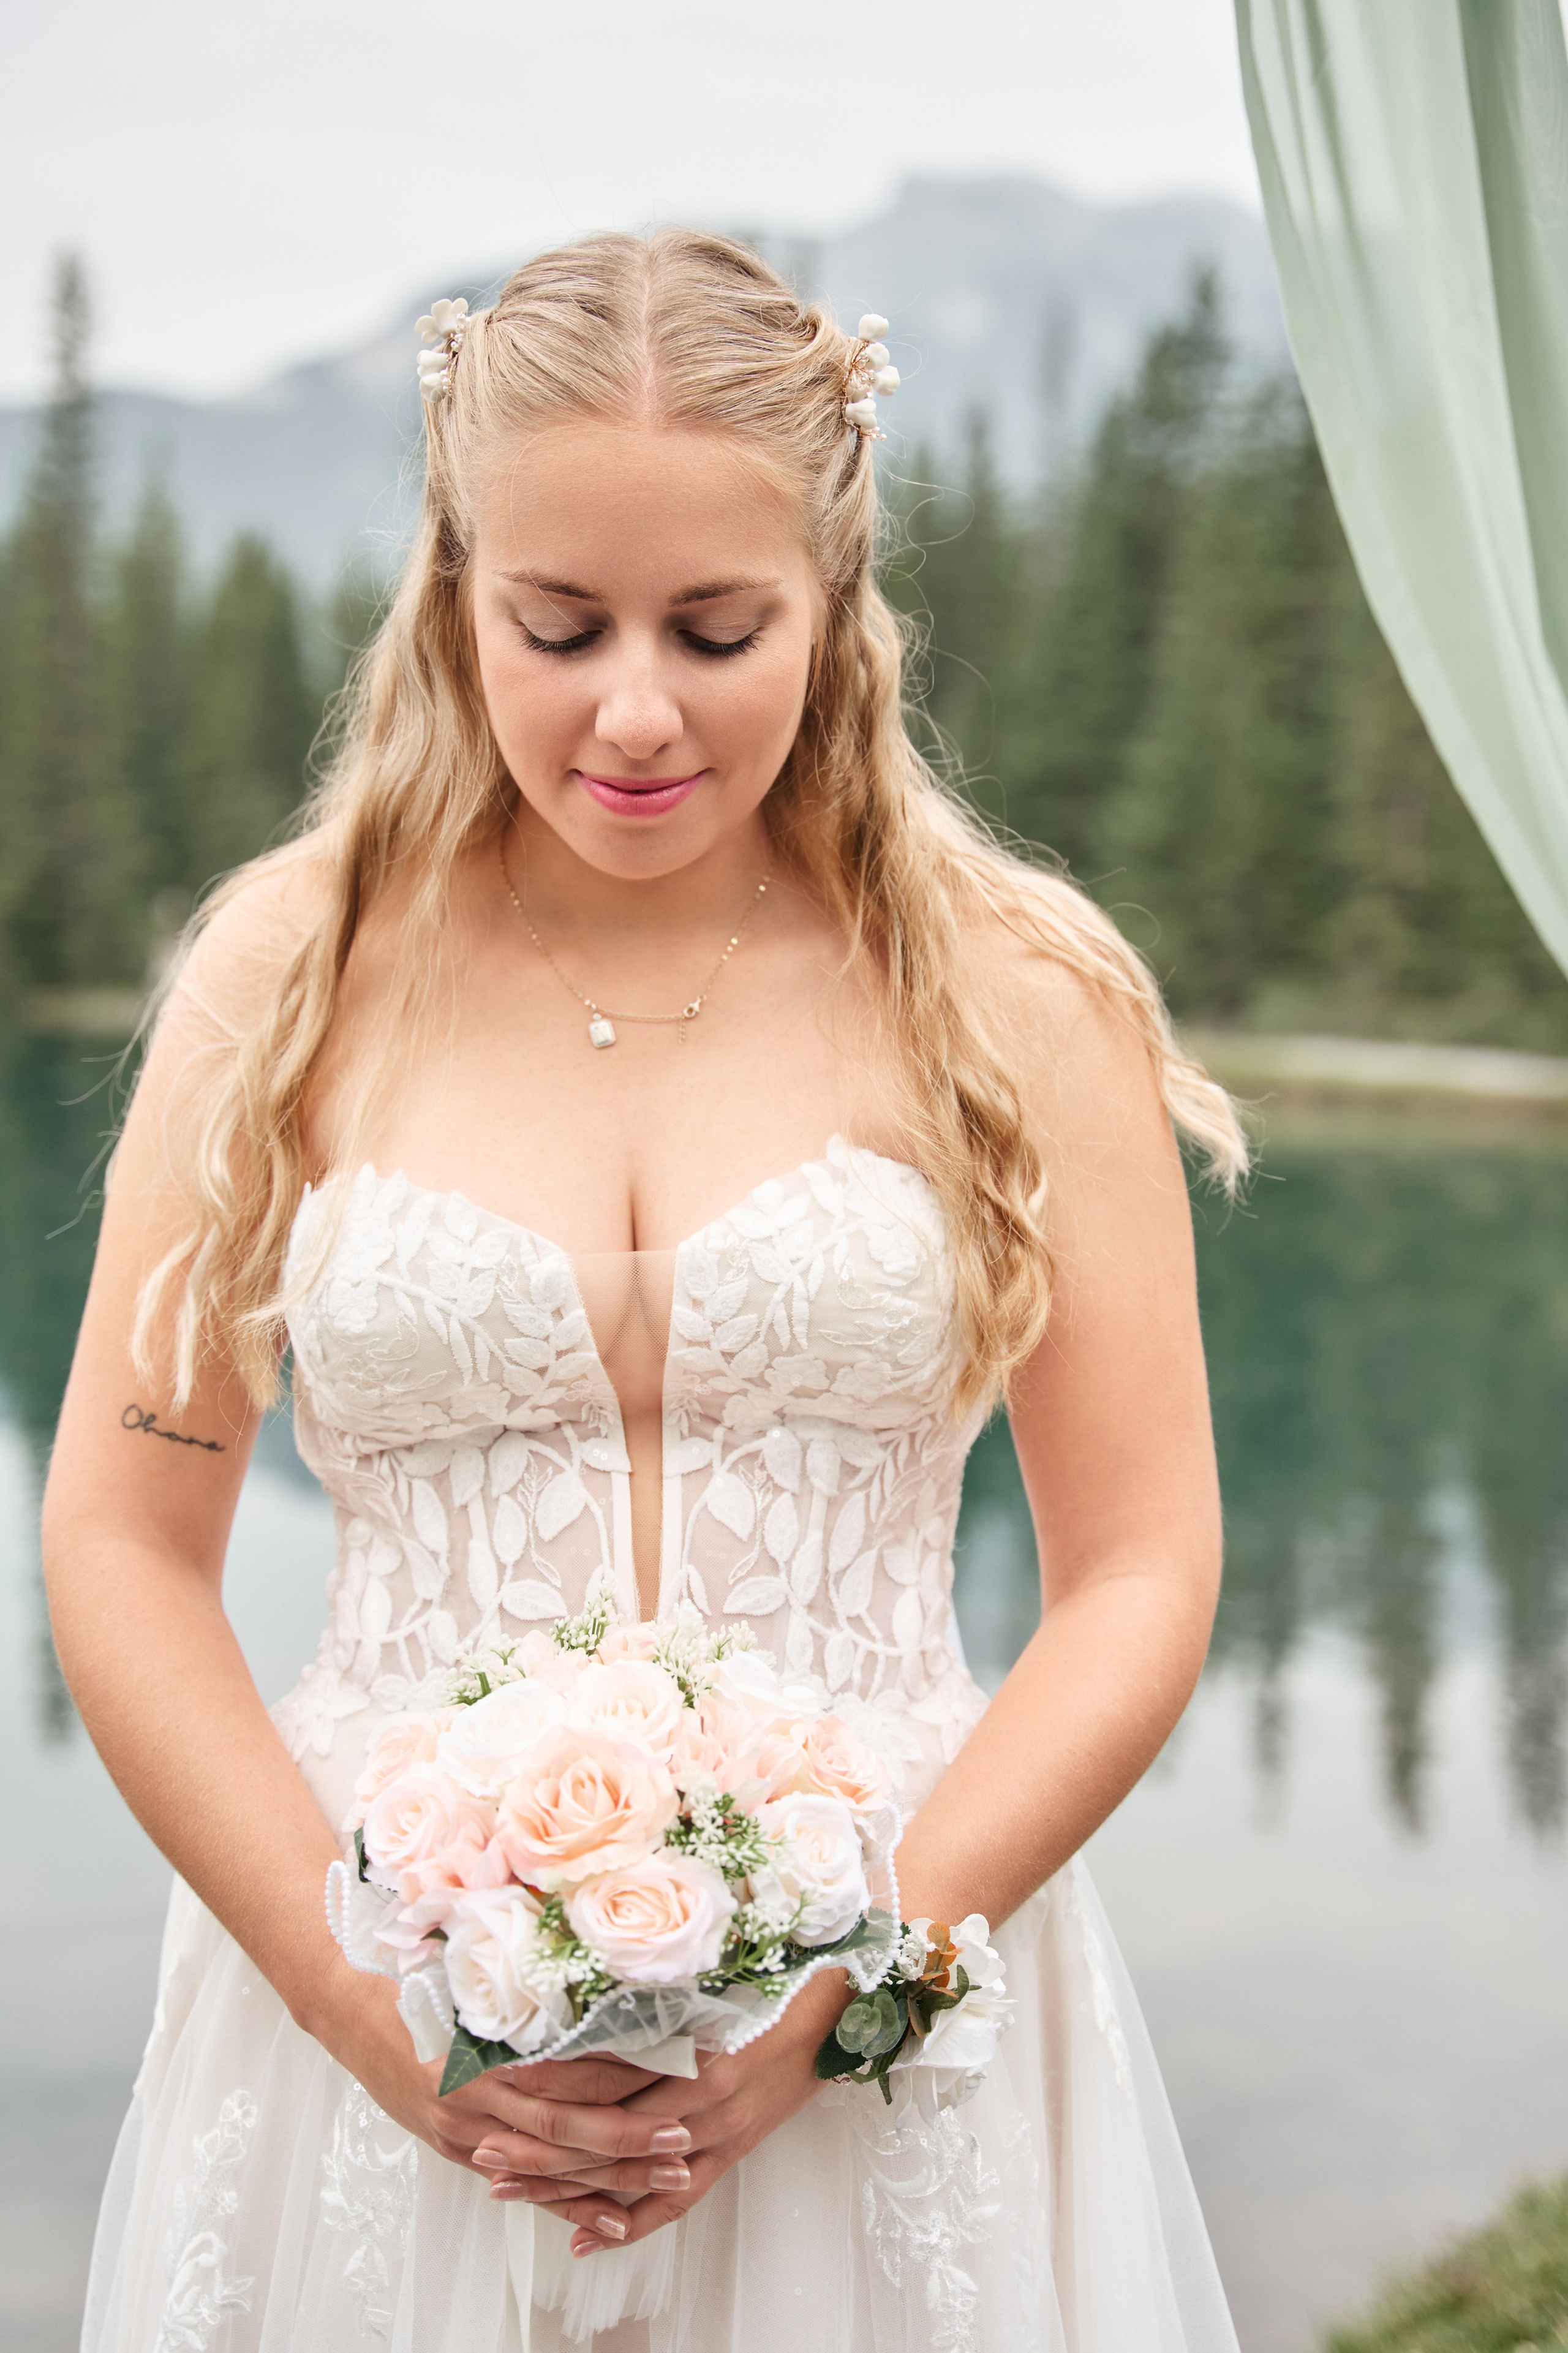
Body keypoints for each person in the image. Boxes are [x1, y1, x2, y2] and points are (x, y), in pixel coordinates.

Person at [47, 229, 1247, 2352]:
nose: (632, 708)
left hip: (891, 2005)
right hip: (383, 2004)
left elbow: (1140, 1566)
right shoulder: (288, 976)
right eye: (556, 623)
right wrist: (373, 2008)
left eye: (715, 629)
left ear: (837, 600)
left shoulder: (1012, 992)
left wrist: (857, 1998)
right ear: (451, 593)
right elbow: (127, 1545)